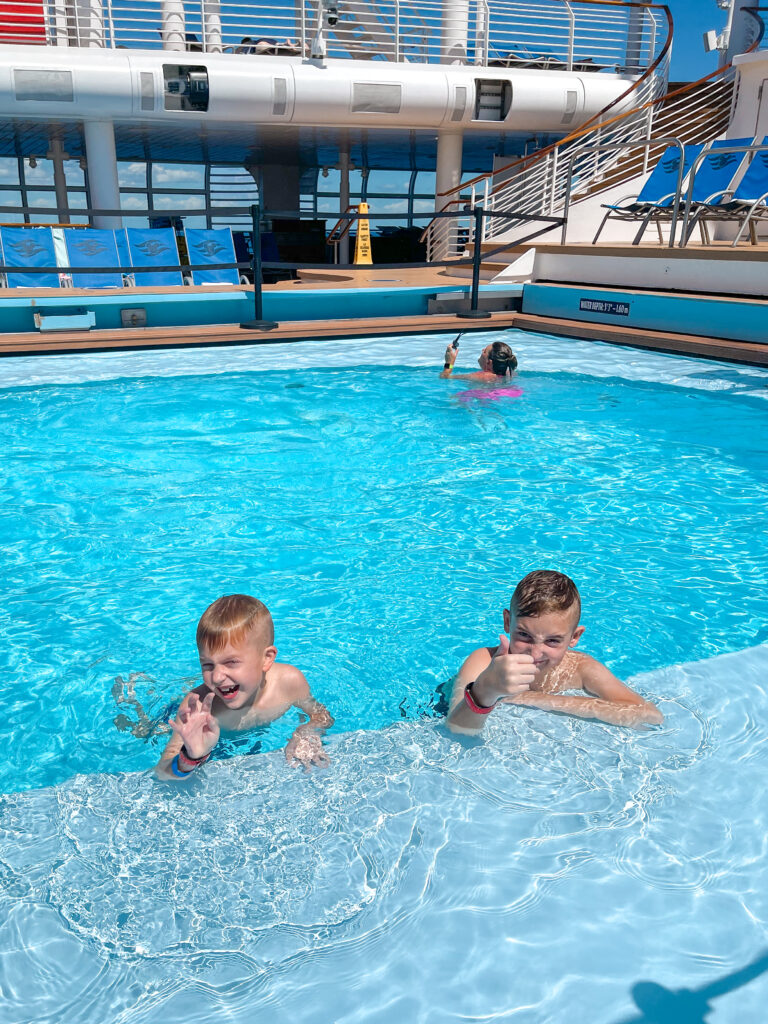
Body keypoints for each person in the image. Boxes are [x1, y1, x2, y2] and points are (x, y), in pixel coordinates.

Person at [446, 570, 663, 735]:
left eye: (552, 641)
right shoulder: (484, 661)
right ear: (507, 622)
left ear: (574, 637)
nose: (535, 652)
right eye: (524, 635)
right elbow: (456, 729)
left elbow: (649, 715)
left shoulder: (580, 669)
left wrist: (539, 699)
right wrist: (486, 689)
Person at [155, 594, 333, 780]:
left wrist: (305, 733)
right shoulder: (197, 707)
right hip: (211, 742)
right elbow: (162, 773)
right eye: (207, 665)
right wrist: (191, 756)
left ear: (266, 659)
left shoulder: (289, 682)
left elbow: (321, 715)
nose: (216, 677)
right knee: (148, 729)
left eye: (231, 662)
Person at [440, 339, 518, 381]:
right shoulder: (510, 374)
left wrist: (449, 362)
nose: (482, 350)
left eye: (484, 351)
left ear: (489, 362)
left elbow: (444, 377)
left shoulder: (479, 376)